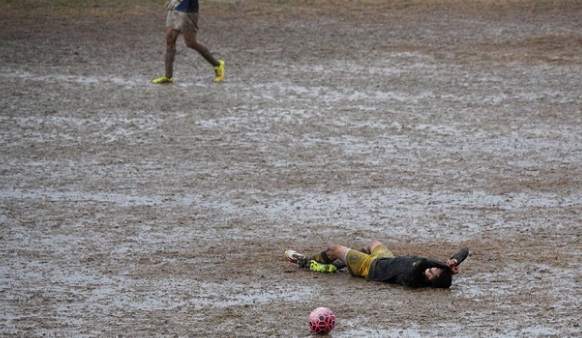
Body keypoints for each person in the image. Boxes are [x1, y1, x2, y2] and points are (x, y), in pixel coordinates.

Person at [284, 240, 469, 289]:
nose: (434, 268)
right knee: (373, 244)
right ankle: (339, 266)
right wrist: (455, 261)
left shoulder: (414, 279)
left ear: (430, 278)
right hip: (388, 259)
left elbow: (423, 262)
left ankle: (304, 261)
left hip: (371, 267)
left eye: (434, 270)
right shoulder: (438, 274)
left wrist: (444, 265)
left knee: (334, 249)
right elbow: (465, 251)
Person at [152, 0, 225, 84]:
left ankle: (217, 65)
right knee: (170, 38)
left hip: (188, 8)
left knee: (190, 42)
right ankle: (168, 76)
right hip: (174, 7)